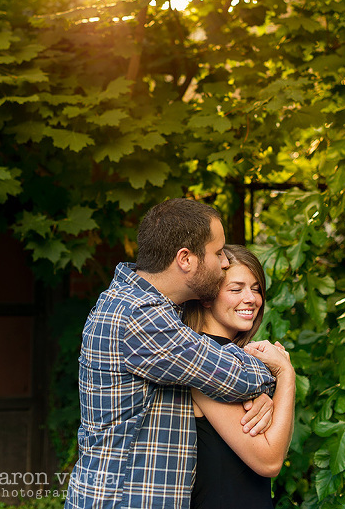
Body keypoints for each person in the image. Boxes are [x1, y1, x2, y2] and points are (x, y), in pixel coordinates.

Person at [64, 198, 277, 509]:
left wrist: (260, 392)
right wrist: (275, 368)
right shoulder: (139, 316)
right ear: (185, 259)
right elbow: (234, 376)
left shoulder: (150, 309)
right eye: (217, 253)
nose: (224, 263)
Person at [183, 245, 296, 509]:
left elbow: (276, 445)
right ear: (208, 297)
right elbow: (269, 461)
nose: (251, 299)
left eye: (256, 289)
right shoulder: (205, 361)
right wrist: (286, 376)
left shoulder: (237, 363)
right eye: (236, 289)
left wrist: (271, 399)